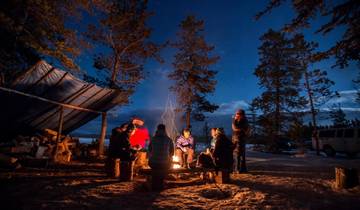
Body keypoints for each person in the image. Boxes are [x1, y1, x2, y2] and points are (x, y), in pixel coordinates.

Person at [148, 124, 174, 191]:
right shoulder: (169, 140)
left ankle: (154, 184)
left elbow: (150, 150)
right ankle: (161, 184)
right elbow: (172, 153)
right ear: (165, 130)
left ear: (157, 129)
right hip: (164, 164)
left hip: (153, 163)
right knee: (167, 164)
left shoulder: (153, 139)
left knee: (154, 166)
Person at [232, 109, 250, 173]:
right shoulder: (236, 120)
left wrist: (241, 130)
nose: (236, 115)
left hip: (240, 139)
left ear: (241, 115)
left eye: (237, 114)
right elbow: (234, 127)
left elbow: (237, 128)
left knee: (239, 154)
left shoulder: (244, 121)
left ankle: (238, 169)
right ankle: (240, 169)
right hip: (236, 139)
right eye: (236, 114)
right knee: (238, 154)